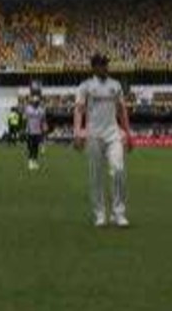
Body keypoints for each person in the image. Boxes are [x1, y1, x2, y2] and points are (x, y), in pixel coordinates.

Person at [74, 53, 131, 227]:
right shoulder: (85, 86)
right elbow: (79, 110)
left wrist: (128, 134)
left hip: (113, 134)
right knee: (96, 177)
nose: (105, 67)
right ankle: (100, 214)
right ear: (94, 67)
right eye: (101, 64)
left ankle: (118, 213)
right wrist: (78, 132)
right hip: (94, 135)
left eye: (106, 64)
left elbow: (122, 111)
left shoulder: (116, 85)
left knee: (118, 170)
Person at [23, 90, 48, 171]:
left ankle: (35, 161)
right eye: (34, 102)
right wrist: (26, 129)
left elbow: (43, 120)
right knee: (30, 147)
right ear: (32, 102)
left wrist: (44, 128)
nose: (35, 103)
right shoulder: (28, 109)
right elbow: (24, 118)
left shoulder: (41, 110)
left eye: (37, 102)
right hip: (30, 131)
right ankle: (30, 162)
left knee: (36, 148)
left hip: (38, 131)